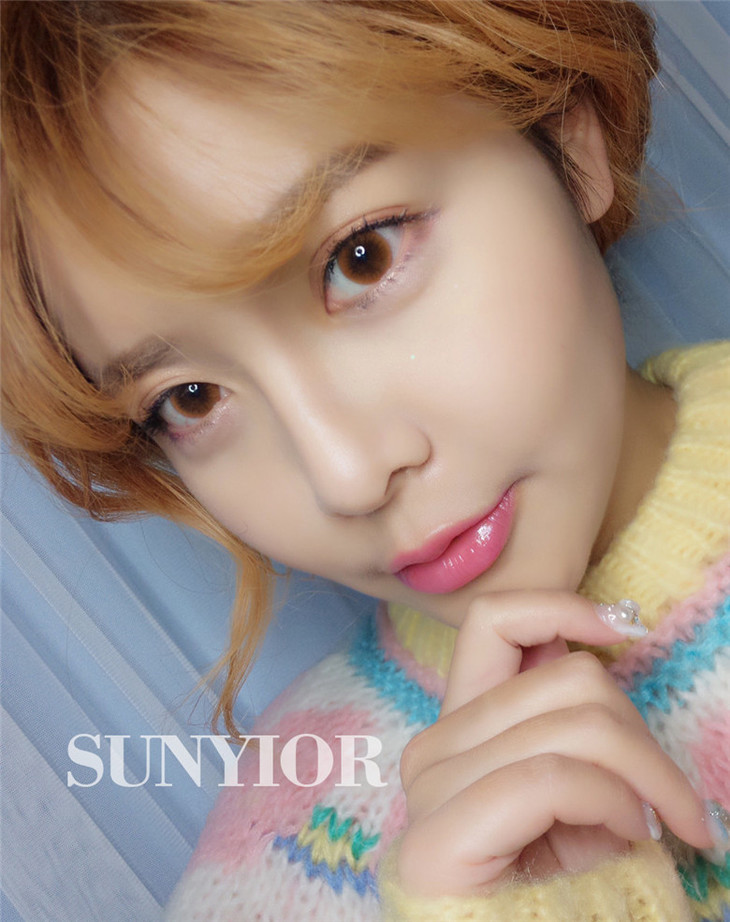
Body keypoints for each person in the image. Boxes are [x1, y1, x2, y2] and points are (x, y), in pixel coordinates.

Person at [2, 1, 728, 920]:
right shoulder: (279, 860)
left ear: (565, 138)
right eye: (190, 399)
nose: (344, 476)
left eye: (362, 256)